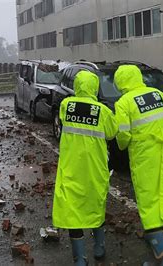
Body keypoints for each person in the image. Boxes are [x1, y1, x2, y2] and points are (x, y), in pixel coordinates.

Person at [113, 65, 163, 266]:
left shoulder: (123, 103)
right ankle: (154, 240)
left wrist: (121, 145)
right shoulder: (156, 94)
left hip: (146, 158)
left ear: (121, 82)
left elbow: (123, 135)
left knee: (149, 204)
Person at [52, 71, 118, 266]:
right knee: (96, 207)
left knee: (73, 213)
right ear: (95, 88)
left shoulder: (66, 106)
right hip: (94, 170)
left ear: (78, 86)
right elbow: (112, 133)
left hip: (71, 169)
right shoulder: (102, 110)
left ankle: (80, 259)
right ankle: (99, 247)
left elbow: (64, 120)